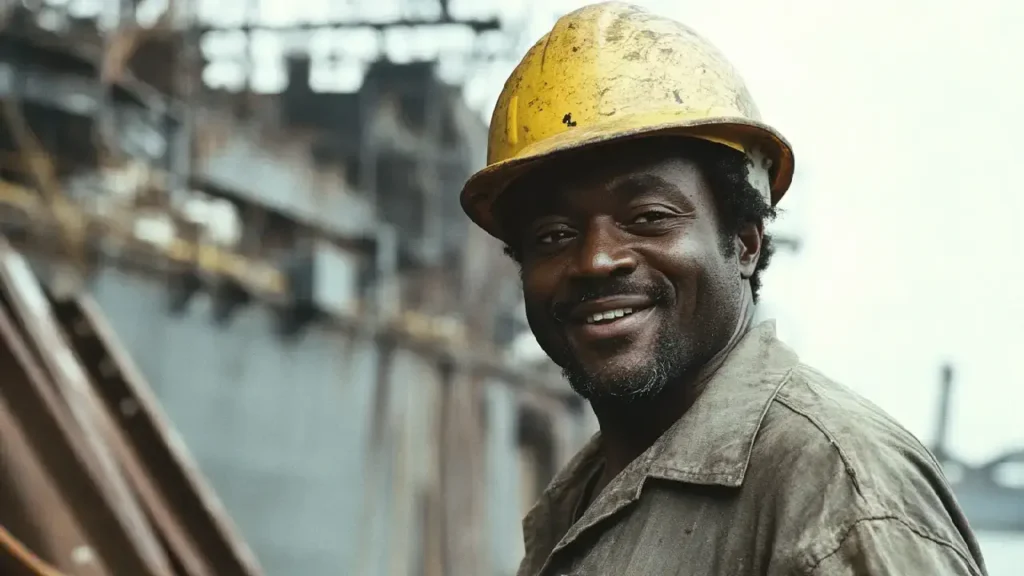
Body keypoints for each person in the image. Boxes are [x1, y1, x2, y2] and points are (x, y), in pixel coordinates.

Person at [459, 3, 988, 575]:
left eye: (649, 217)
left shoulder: (836, 492)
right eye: (554, 234)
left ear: (743, 241)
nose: (596, 259)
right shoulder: (587, 493)